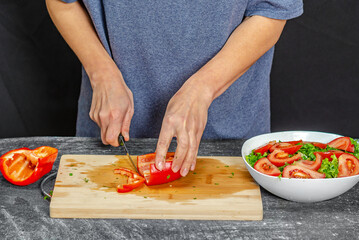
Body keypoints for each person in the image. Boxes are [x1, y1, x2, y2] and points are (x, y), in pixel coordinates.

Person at [46, 0, 303, 177]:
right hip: (110, 136)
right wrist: (101, 72)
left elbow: (272, 9)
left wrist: (203, 88)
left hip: (230, 137)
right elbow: (61, 3)